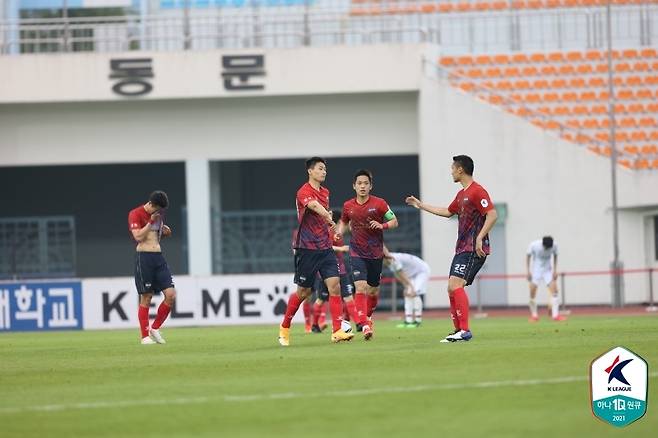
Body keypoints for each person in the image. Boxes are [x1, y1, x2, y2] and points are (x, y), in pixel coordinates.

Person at [406, 155, 497, 343]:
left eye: (453, 168)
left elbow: (492, 215)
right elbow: (447, 212)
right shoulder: (461, 194)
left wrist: (480, 238)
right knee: (451, 288)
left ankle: (464, 330)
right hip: (462, 249)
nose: (451, 171)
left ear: (460, 170)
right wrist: (420, 205)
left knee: (456, 285)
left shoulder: (477, 191)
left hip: (473, 248)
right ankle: (458, 330)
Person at [278, 157, 354, 346]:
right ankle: (284, 327)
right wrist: (328, 216)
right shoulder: (303, 191)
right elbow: (313, 206)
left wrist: (331, 229)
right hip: (307, 249)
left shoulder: (326, 192)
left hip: (325, 248)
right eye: (320, 169)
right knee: (304, 292)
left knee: (334, 286)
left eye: (325, 169)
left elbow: (322, 215)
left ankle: (337, 331)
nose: (324, 172)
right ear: (310, 171)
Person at [337, 169, 398, 340]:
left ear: (370, 186)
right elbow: (343, 221)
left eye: (365, 183)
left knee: (373, 290)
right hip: (357, 252)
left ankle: (368, 317)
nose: (362, 186)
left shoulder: (380, 204)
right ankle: (363, 325)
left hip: (375, 254)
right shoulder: (348, 206)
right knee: (361, 287)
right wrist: (339, 232)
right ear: (354, 186)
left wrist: (382, 226)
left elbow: (394, 221)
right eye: (359, 183)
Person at [128, 190, 176, 345]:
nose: (160, 212)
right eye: (159, 209)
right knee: (146, 297)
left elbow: (156, 236)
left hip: (158, 257)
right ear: (153, 205)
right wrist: (150, 222)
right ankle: (144, 337)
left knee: (170, 295)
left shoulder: (158, 216)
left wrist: (165, 231)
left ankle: (155, 328)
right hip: (144, 257)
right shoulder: (135, 214)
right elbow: (138, 237)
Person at [311, 228, 357, 333]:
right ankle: (315, 325)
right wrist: (341, 249)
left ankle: (359, 323)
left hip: (339, 269)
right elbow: (322, 247)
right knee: (322, 298)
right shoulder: (323, 231)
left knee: (347, 297)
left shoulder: (336, 232)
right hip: (328, 270)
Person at [383, 246, 430, 328]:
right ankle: (408, 321)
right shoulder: (389, 261)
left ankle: (418, 321)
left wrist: (410, 286)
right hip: (412, 274)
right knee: (408, 293)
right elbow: (397, 274)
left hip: (421, 271)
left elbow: (401, 273)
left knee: (414, 293)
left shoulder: (393, 259)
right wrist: (406, 286)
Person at [526, 236, 566, 322]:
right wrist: (528, 271)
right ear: (542, 244)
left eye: (549, 248)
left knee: (555, 291)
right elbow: (528, 256)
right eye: (546, 248)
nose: (548, 249)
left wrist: (555, 270)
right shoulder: (534, 245)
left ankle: (555, 315)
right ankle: (534, 315)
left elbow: (555, 256)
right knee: (532, 292)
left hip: (547, 270)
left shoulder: (554, 245)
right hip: (536, 270)